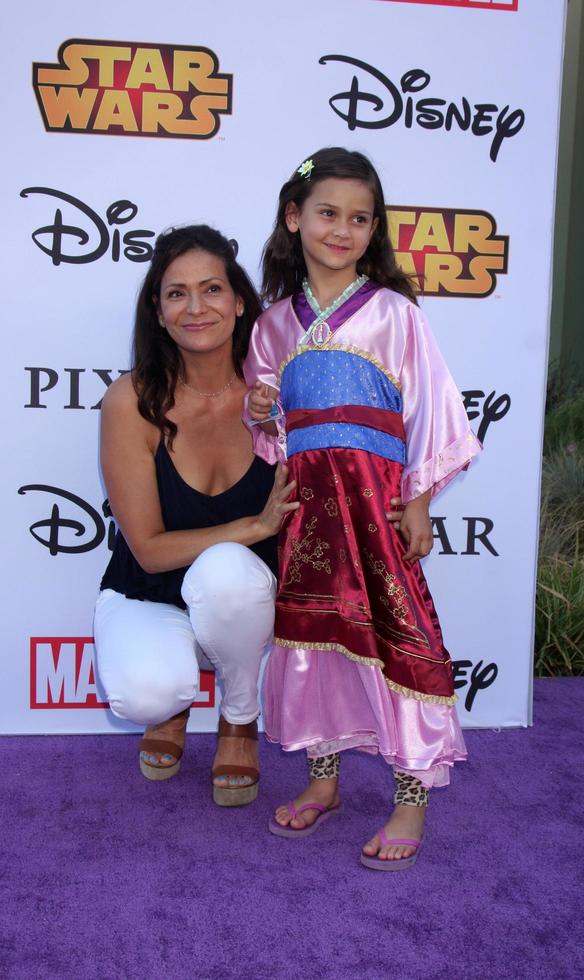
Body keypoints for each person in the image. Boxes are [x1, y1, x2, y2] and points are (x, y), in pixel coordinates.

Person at [244, 147, 482, 868]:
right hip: (311, 514)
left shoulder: (395, 315)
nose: (341, 230)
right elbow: (270, 425)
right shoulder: (272, 325)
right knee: (315, 641)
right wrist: (262, 410)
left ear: (373, 229)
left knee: (395, 637)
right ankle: (325, 778)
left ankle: (412, 795)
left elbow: (433, 409)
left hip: (377, 506)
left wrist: (419, 500)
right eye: (326, 214)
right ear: (295, 218)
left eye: (358, 218)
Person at [94, 224, 299, 807]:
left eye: (211, 289)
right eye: (176, 293)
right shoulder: (131, 400)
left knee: (228, 571)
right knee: (144, 694)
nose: (195, 307)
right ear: (158, 312)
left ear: (239, 302)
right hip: (149, 594)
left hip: (243, 609)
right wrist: (253, 528)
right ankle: (173, 704)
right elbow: (151, 550)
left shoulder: (280, 394)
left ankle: (238, 717)